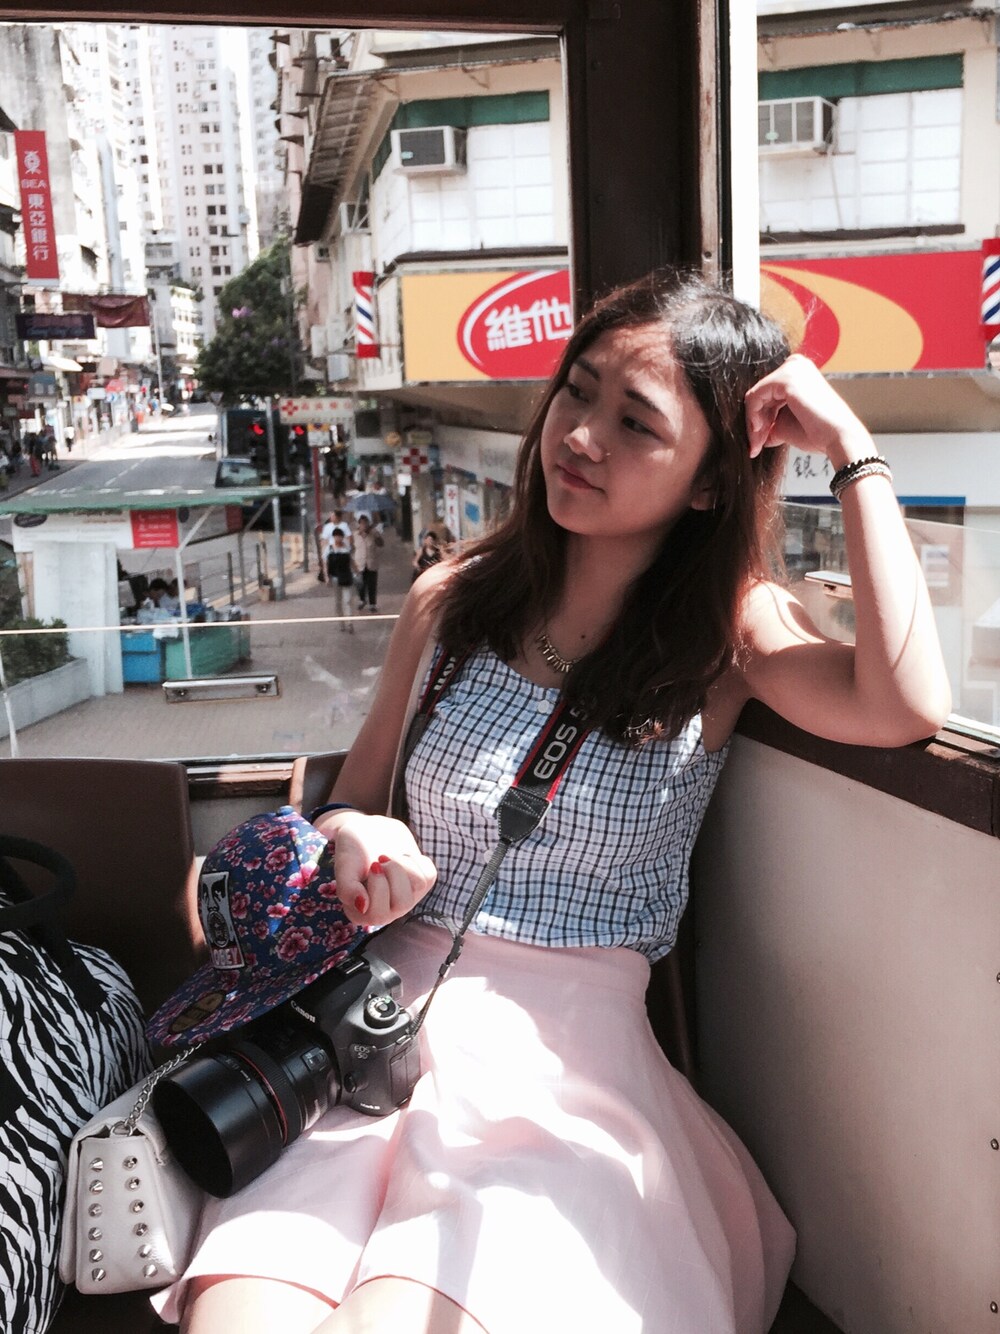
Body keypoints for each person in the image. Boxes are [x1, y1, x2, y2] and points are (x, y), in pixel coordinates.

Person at [160, 271, 950, 1334]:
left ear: (710, 483)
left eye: (636, 423)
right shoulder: (454, 601)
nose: (580, 437)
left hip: (560, 1071)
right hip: (363, 1035)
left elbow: (902, 702)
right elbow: (347, 800)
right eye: (577, 392)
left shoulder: (728, 632)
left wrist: (851, 447)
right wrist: (361, 836)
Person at [352, 512, 383, 613]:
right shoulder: (355, 535)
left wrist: (376, 535)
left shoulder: (374, 533)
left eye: (365, 523)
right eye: (362, 523)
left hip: (371, 562)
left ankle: (372, 603)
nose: (364, 525)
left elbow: (381, 544)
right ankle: (362, 600)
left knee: (372, 584)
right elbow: (351, 547)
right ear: (359, 524)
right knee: (360, 583)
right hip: (359, 562)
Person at [326, 528, 355, 632]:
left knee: (348, 600)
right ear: (334, 537)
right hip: (335, 578)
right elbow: (326, 564)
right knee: (338, 602)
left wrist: (357, 572)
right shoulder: (329, 549)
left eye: (340, 536)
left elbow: (351, 561)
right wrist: (327, 577)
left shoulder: (346, 548)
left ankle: (349, 623)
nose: (338, 538)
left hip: (346, 576)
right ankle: (341, 622)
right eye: (336, 536)